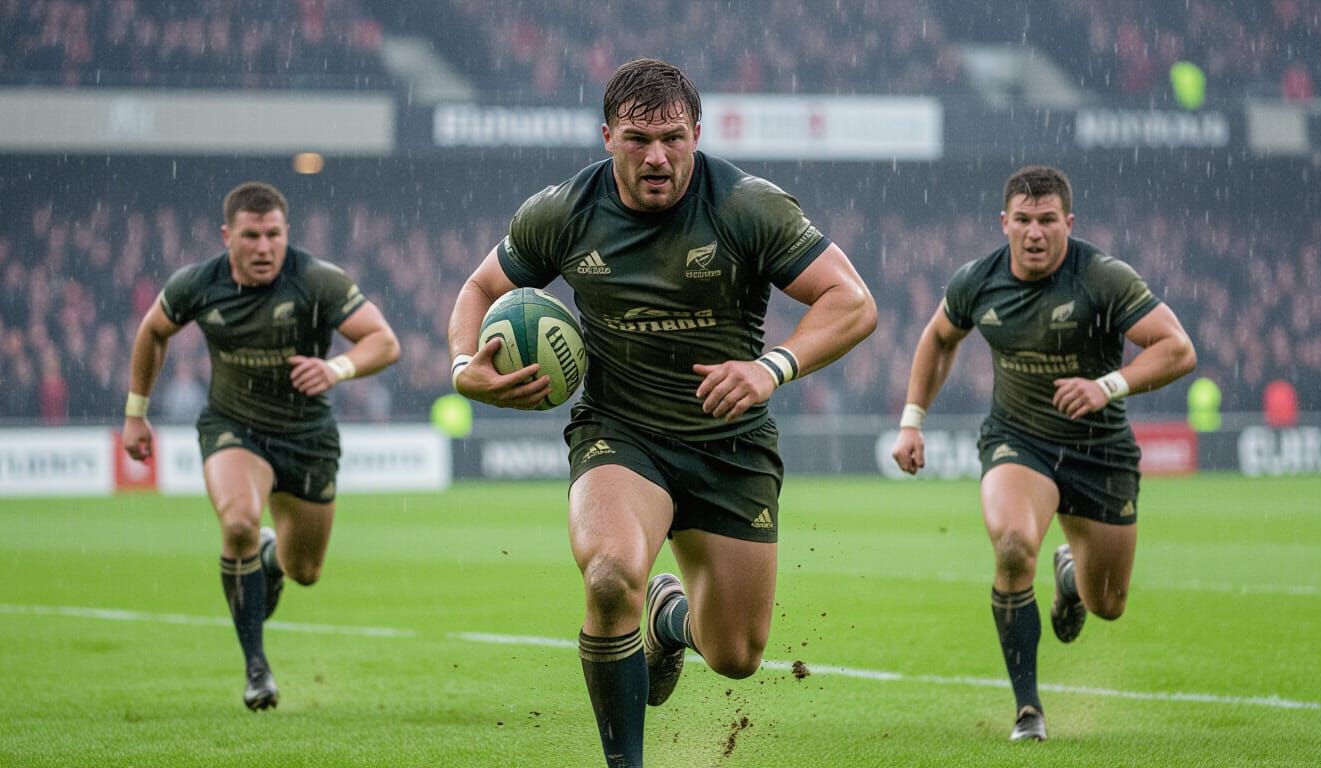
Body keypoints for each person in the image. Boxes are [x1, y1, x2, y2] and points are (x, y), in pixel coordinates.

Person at [448, 58, 877, 767]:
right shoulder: (562, 212)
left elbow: (853, 302)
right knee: (610, 574)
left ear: (697, 134)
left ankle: (669, 619)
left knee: (736, 655)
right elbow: (479, 287)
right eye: (638, 139)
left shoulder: (746, 206)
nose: (657, 156)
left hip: (729, 443)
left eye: (674, 139)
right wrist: (465, 366)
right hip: (621, 433)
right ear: (607, 137)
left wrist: (771, 367)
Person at [890, 165, 1197, 741]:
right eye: (1024, 220)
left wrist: (1107, 385)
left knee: (1108, 604)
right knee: (1011, 546)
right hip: (1019, 440)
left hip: (1099, 450)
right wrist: (912, 421)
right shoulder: (976, 280)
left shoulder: (1102, 276)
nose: (1035, 232)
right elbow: (938, 337)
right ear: (1004, 223)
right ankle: (1028, 710)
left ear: (1068, 223)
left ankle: (1072, 577)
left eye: (1048, 220)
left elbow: (1178, 349)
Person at [121, 182, 400, 710]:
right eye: (251, 236)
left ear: (286, 232)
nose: (264, 247)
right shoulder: (197, 283)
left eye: (274, 234)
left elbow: (384, 342)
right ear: (227, 236)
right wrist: (136, 413)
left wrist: (336, 368)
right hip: (234, 427)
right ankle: (256, 668)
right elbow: (153, 330)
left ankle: (270, 560)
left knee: (305, 571)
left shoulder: (315, 278)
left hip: (307, 437)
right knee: (238, 524)